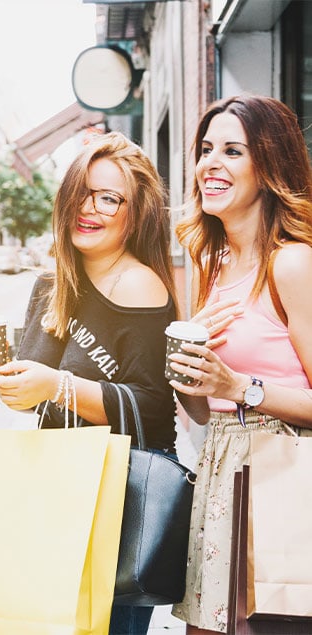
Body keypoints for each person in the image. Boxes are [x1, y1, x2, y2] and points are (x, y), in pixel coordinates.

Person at [0, 131, 178, 634]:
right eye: (83, 191)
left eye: (110, 198)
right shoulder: (53, 280)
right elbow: (30, 396)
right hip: (58, 486)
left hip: (117, 501)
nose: (90, 208)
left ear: (136, 213)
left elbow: (154, 409)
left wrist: (55, 386)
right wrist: (1, 375)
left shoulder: (139, 284)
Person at [168, 95, 312, 634]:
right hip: (222, 474)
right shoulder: (212, 261)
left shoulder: (293, 263)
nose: (210, 164)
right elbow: (203, 412)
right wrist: (187, 364)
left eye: (232, 150)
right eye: (206, 149)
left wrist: (239, 384)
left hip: (284, 477)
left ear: (269, 165)